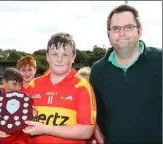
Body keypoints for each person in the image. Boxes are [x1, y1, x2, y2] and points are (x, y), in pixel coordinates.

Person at [89, 4, 162, 143]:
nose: (121, 33)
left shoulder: (160, 60)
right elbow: (94, 118)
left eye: (128, 27)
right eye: (115, 28)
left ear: (140, 30)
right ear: (108, 34)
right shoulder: (98, 70)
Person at [22, 32, 97, 144]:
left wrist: (46, 128)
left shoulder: (82, 87)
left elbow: (86, 131)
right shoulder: (33, 85)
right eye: (54, 54)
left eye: (65, 55)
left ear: (73, 58)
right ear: (47, 56)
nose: (59, 59)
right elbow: (22, 124)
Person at [0, 67, 31, 144]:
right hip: (3, 140)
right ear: (4, 82)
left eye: (20, 85)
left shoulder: (24, 98)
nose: (17, 88)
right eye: (14, 84)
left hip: (22, 140)